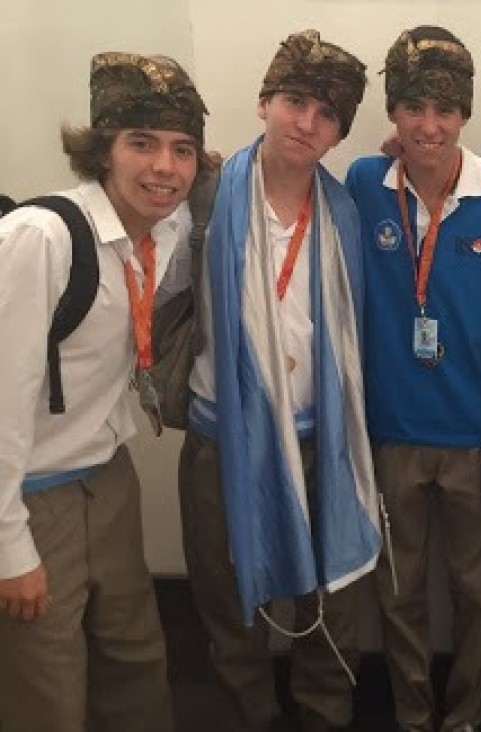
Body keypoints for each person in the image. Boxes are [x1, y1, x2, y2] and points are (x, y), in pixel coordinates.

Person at [0, 51, 209, 731]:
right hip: (32, 495)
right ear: (102, 150)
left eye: (182, 150)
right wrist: (10, 548)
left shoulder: (166, 232)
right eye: (141, 144)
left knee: (136, 666)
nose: (164, 167)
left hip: (108, 479)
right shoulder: (41, 239)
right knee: (47, 682)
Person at [179, 30, 380, 731]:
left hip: (321, 437)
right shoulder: (203, 195)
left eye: (327, 114)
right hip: (221, 439)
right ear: (264, 102)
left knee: (330, 600)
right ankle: (250, 714)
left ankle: (325, 712)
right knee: (229, 591)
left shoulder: (345, 211)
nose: (306, 122)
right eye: (295, 101)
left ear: (338, 134)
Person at [345, 25, 481, 732]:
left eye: (445, 110)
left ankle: (467, 717)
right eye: (414, 108)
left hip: (472, 432)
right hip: (391, 432)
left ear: (465, 115)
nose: (429, 125)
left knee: (477, 592)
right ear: (393, 113)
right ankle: (411, 714)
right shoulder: (365, 184)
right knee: (399, 592)